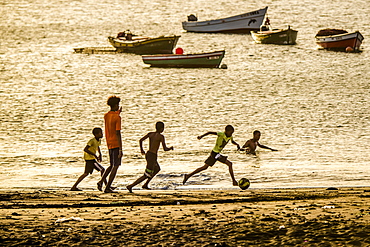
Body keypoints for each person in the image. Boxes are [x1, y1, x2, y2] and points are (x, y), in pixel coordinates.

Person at [126, 122, 173, 193]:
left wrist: (141, 149)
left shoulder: (150, 134)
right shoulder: (161, 137)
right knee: (146, 174)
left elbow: (140, 140)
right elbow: (165, 149)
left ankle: (146, 184)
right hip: (153, 156)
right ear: (161, 129)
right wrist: (170, 148)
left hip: (148, 154)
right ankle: (131, 186)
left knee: (157, 169)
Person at [97, 96, 122, 193]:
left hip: (109, 143)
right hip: (116, 143)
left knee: (111, 165)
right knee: (115, 166)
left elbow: (112, 117)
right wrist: (120, 149)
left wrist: (118, 112)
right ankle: (108, 186)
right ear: (116, 105)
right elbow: (118, 133)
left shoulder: (106, 115)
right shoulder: (117, 118)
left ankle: (101, 181)